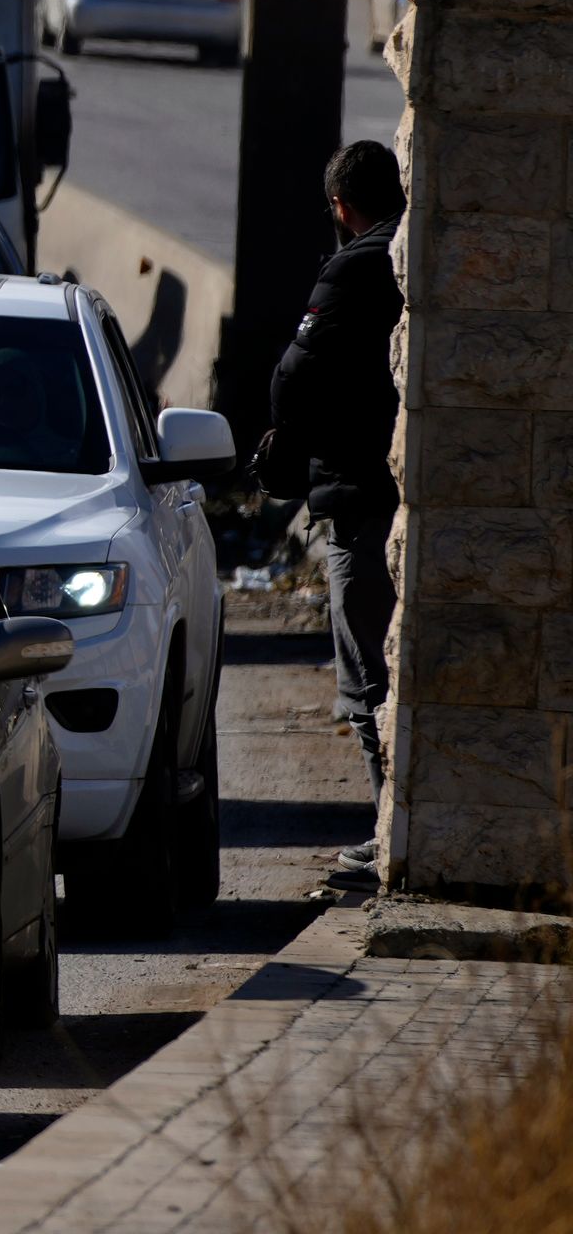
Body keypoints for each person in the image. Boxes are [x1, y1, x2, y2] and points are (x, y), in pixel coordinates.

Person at [260, 140, 404, 883]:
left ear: (343, 207)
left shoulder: (352, 267)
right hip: (396, 493)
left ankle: (392, 837)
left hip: (358, 496)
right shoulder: (411, 249)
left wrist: (285, 442)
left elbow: (296, 377)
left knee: (368, 681)